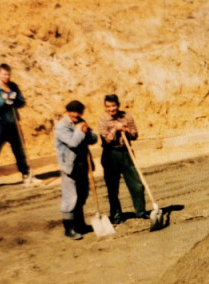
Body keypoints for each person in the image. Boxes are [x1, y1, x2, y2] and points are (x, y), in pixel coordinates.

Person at [0, 63, 33, 189]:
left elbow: (21, 102)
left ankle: (26, 174)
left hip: (13, 123)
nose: (6, 77)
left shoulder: (13, 86)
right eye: (4, 74)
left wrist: (15, 100)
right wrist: (5, 100)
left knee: (19, 150)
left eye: (8, 74)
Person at [99, 94, 146, 224]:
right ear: (105, 107)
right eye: (108, 106)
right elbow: (106, 140)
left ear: (118, 105)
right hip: (110, 154)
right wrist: (115, 129)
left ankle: (141, 211)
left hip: (126, 153)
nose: (111, 109)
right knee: (112, 187)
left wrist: (127, 130)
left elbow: (135, 134)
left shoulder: (127, 116)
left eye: (113, 105)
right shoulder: (103, 120)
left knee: (137, 185)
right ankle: (116, 215)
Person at [54, 100, 98, 240]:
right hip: (69, 167)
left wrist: (87, 131)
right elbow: (73, 143)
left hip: (82, 165)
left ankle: (80, 224)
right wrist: (80, 130)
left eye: (78, 112)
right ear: (67, 111)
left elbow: (93, 139)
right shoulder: (62, 126)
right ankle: (69, 228)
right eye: (73, 111)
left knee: (82, 195)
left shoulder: (81, 121)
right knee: (70, 198)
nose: (76, 114)